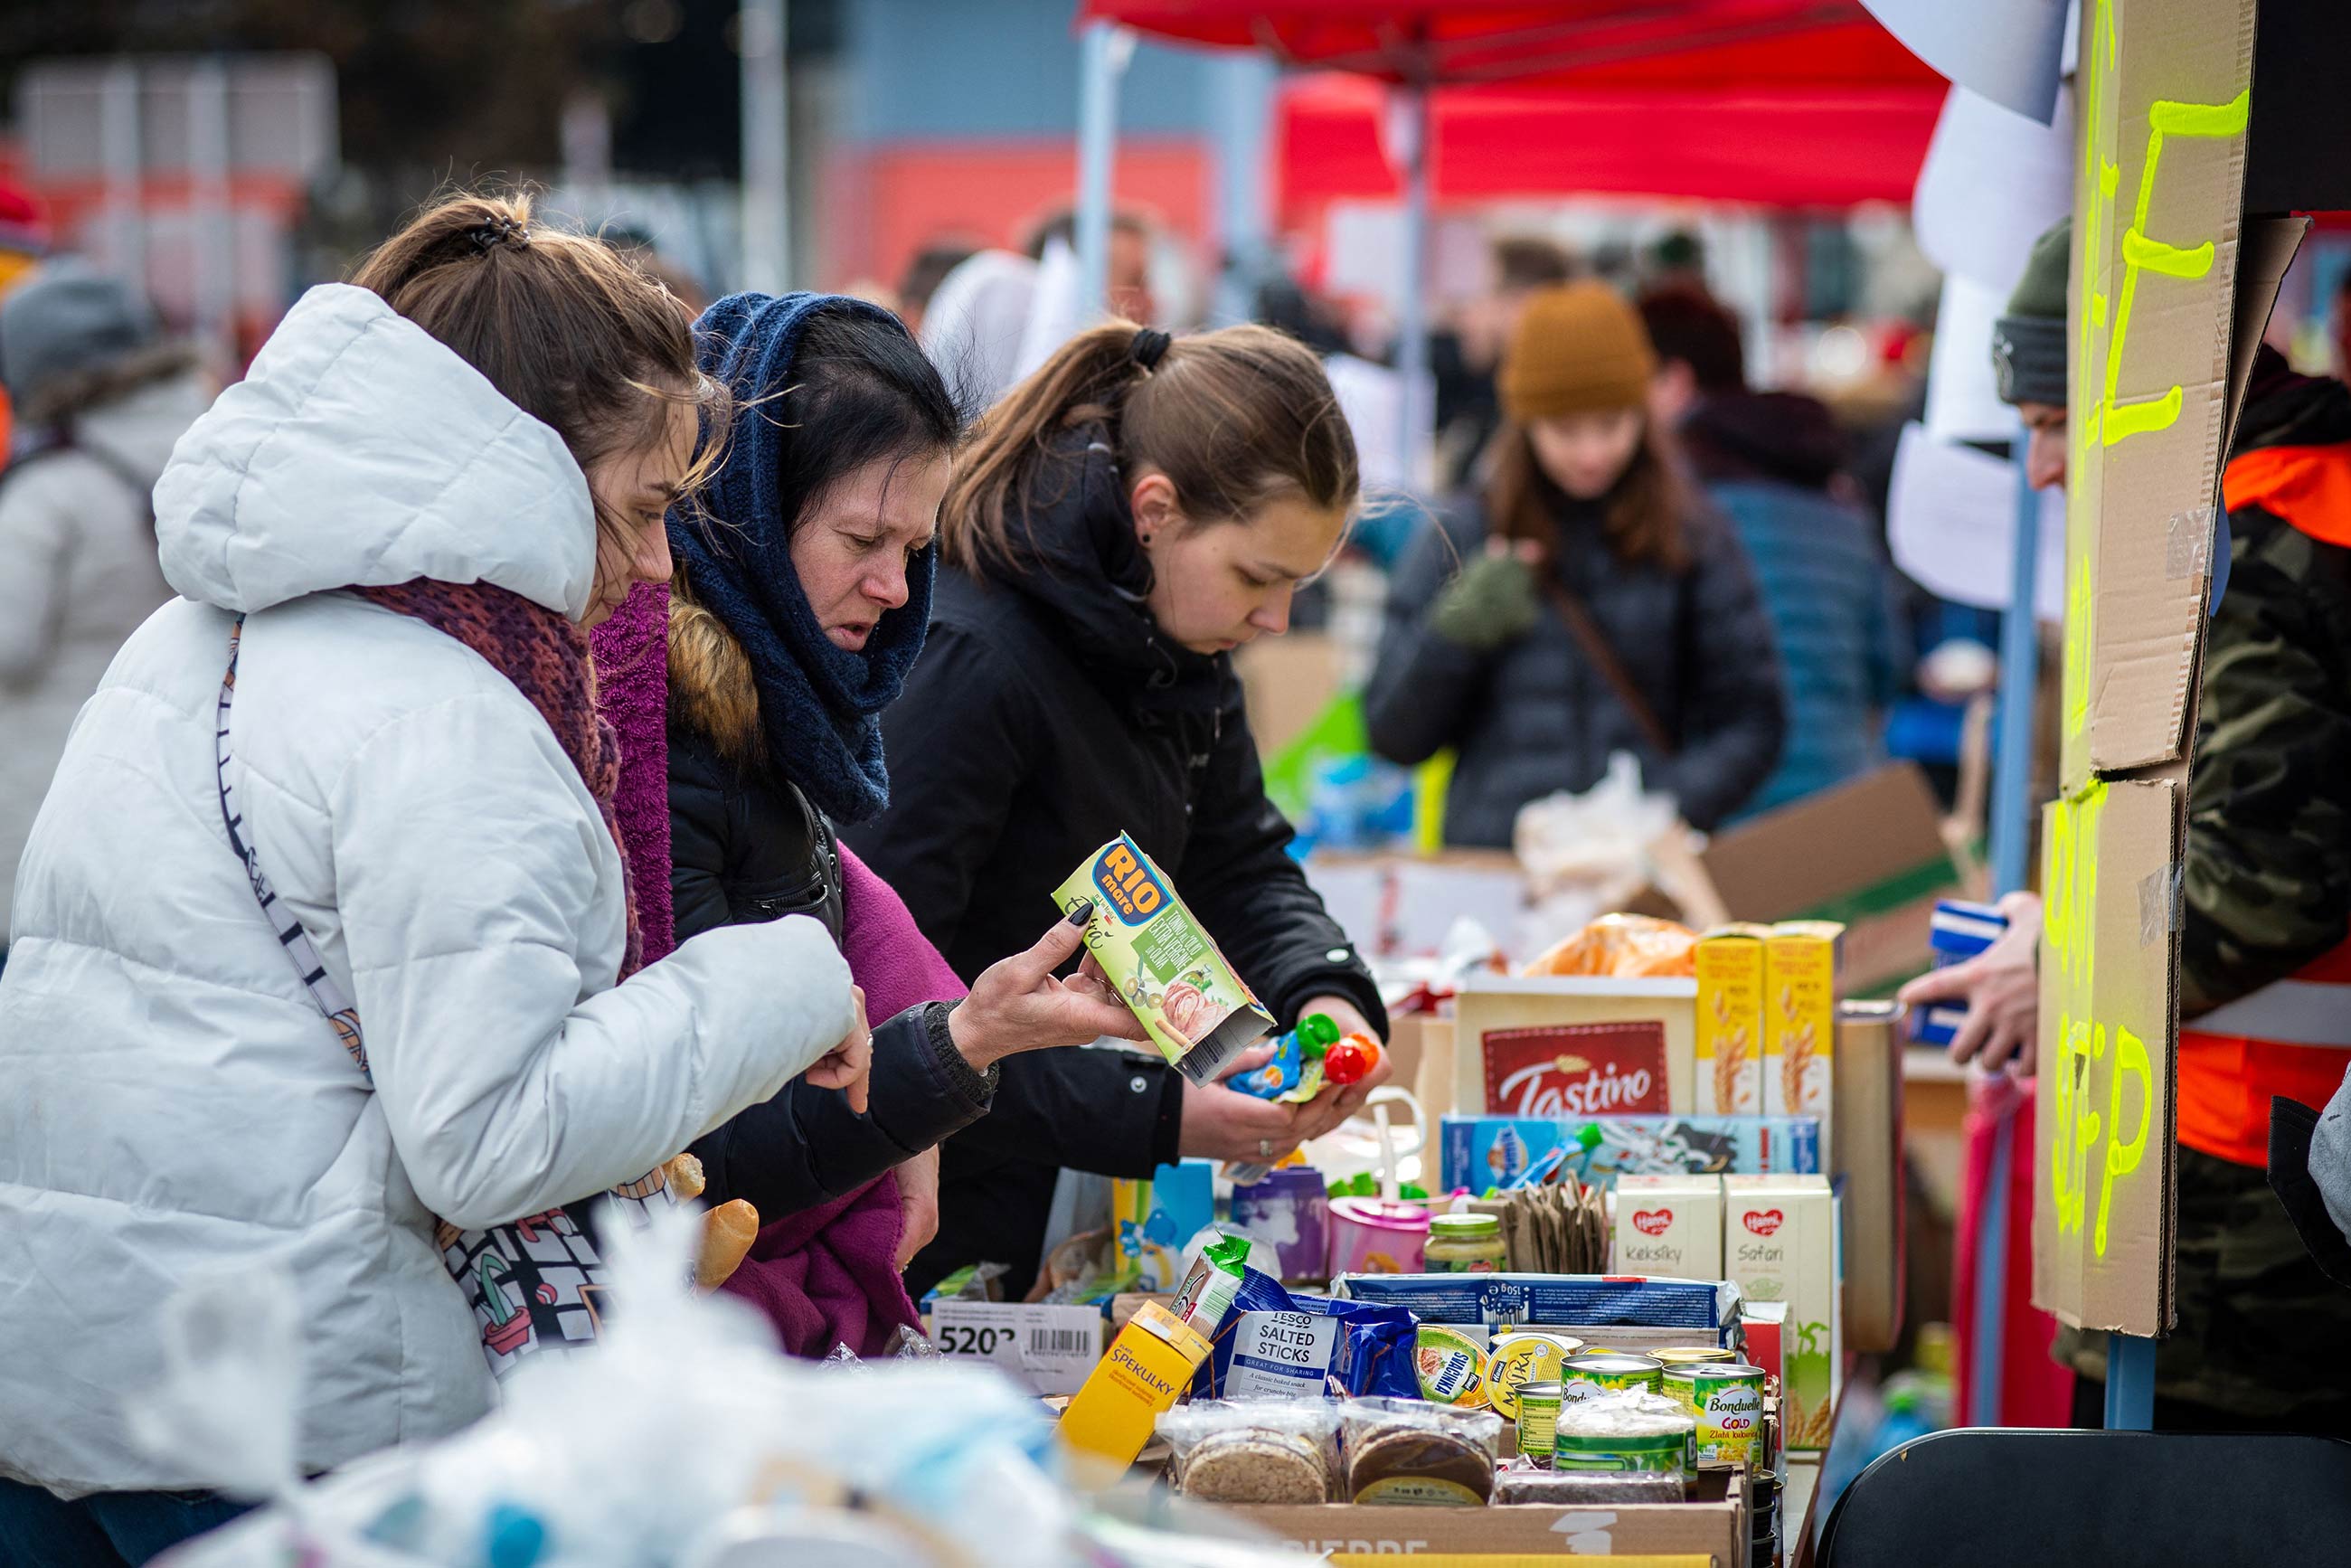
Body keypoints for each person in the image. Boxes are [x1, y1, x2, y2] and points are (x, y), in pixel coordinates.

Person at [0, 194, 866, 1560]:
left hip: (73, 1385)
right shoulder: (447, 709)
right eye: (640, 511)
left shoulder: (188, 640)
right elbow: (492, 1138)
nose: (652, 568)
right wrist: (783, 977)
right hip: (293, 1430)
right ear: (518, 464)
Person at [590, 290, 1147, 1350]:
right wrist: (961, 1045)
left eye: (914, 546)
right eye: (861, 538)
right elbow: (697, 1155)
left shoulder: (784, 720)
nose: (895, 587)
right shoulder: (662, 746)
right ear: (744, 504)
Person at [1903, 216, 2351, 1431]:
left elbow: (2264, 878)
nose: (2040, 468)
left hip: (2247, 1211)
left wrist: (2071, 965)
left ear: (2138, 398)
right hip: (2250, 1170)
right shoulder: (2264, 510)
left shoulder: (2268, 544)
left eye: (2053, 423)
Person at [847, 321, 1392, 1301]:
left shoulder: (1177, 638)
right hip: (932, 1236)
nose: (1273, 621)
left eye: (1297, 588)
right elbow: (890, 1004)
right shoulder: (976, 657)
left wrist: (1324, 991)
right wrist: (1154, 1113)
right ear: (1154, 510)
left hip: (1068, 1217)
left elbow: (1240, 861)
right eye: (1258, 579)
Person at [1365, 280, 1786, 845]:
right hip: (1499, 867)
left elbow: (1755, 718)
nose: (1591, 453)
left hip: (1639, 867)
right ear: (1525, 423)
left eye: (1612, 425)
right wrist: (1456, 634)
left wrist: (1664, 808)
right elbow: (1393, 736)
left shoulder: (1691, 533)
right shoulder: (1463, 532)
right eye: (1565, 430)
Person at [0, 261, 209, 967]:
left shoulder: (51, 487)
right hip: (187, 805)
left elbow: (9, 641)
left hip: (47, 806)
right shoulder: (214, 449)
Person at [1641, 283, 1907, 817]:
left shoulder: (1671, 503)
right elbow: (1890, 666)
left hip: (1719, 811)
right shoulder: (1838, 495)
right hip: (1841, 803)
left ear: (1674, 382)